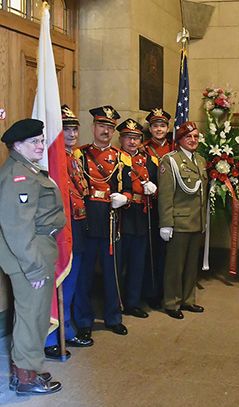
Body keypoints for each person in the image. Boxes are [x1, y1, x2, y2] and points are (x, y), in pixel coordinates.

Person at [0, 118, 65, 395]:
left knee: (33, 315)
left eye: (41, 140)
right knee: (31, 316)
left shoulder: (28, 169)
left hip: (36, 251)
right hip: (30, 256)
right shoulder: (19, 176)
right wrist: (34, 268)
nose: (41, 146)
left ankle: (23, 370)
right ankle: (26, 378)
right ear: (17, 145)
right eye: (34, 142)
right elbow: (17, 227)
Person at [74, 105, 132, 338]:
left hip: (111, 224)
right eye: (101, 126)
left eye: (110, 127)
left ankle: (113, 317)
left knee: (112, 274)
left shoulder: (122, 158)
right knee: (84, 276)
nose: (105, 131)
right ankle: (84, 320)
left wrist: (124, 198)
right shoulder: (80, 155)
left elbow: (129, 189)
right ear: (93, 127)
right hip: (87, 222)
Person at [44, 106, 93, 361]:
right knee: (60, 280)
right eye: (66, 129)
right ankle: (52, 336)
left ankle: (68, 328)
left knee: (73, 280)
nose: (72, 134)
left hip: (78, 225)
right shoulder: (53, 159)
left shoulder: (74, 156)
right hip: (62, 229)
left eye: (75, 128)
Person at [158, 121, 208, 319]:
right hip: (179, 222)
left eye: (196, 137)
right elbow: (166, 195)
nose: (193, 140)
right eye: (189, 137)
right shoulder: (170, 161)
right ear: (179, 140)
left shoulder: (201, 161)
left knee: (190, 266)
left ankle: (188, 300)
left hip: (196, 221)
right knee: (175, 266)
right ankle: (172, 302)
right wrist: (166, 223)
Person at [117, 119, 158, 319]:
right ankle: (116, 301)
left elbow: (157, 182)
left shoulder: (147, 160)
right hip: (121, 217)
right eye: (128, 138)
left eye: (136, 138)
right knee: (118, 264)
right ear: (121, 139)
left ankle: (132, 302)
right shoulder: (115, 158)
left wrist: (153, 190)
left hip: (141, 217)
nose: (132, 142)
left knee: (137, 263)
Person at [142, 108, 172, 309]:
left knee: (171, 252)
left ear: (168, 128)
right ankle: (152, 292)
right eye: (155, 126)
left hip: (171, 206)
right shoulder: (144, 149)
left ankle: (168, 290)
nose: (159, 129)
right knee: (153, 252)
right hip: (151, 206)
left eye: (162, 125)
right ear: (150, 129)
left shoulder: (175, 147)